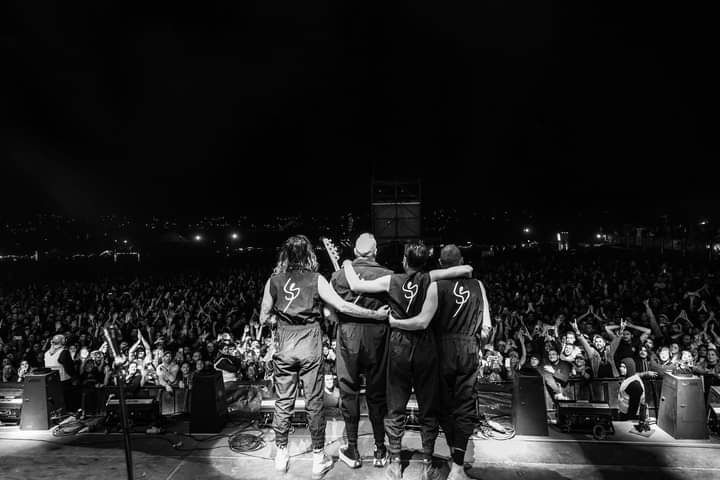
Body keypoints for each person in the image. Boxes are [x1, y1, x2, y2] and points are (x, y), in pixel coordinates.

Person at [259, 235, 390, 479]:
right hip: (310, 342)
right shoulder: (316, 280)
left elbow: (263, 317)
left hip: (285, 344)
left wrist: (282, 322)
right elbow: (341, 307)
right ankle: (318, 458)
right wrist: (373, 315)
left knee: (283, 401)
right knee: (314, 401)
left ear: (285, 255)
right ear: (309, 255)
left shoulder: (273, 281)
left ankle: (281, 455)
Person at [343, 240, 472, 480]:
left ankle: (394, 462)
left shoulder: (392, 280)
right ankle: (427, 463)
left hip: (399, 347)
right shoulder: (430, 278)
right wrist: (457, 268)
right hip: (425, 347)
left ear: (404, 260)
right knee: (428, 407)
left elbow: (355, 284)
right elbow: (464, 270)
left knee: (396, 406)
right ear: (424, 263)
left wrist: (347, 262)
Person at [381, 244, 490, 480]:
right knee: (462, 409)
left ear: (440, 263)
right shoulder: (478, 285)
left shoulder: (435, 285)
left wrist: (394, 322)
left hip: (439, 350)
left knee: (436, 407)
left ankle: (400, 462)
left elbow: (423, 321)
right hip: (469, 349)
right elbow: (486, 329)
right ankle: (455, 466)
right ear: (461, 260)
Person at [330, 233, 394, 469]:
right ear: (375, 251)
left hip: (348, 336)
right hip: (379, 336)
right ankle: (379, 448)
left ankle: (353, 449)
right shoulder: (389, 275)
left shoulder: (338, 276)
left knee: (349, 393)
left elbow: (329, 313)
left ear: (356, 252)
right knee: (377, 394)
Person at [44, 334, 77, 410]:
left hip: (50, 382)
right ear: (63, 341)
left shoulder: (46, 353)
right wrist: (74, 378)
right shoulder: (64, 352)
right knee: (66, 401)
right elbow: (69, 368)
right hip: (64, 381)